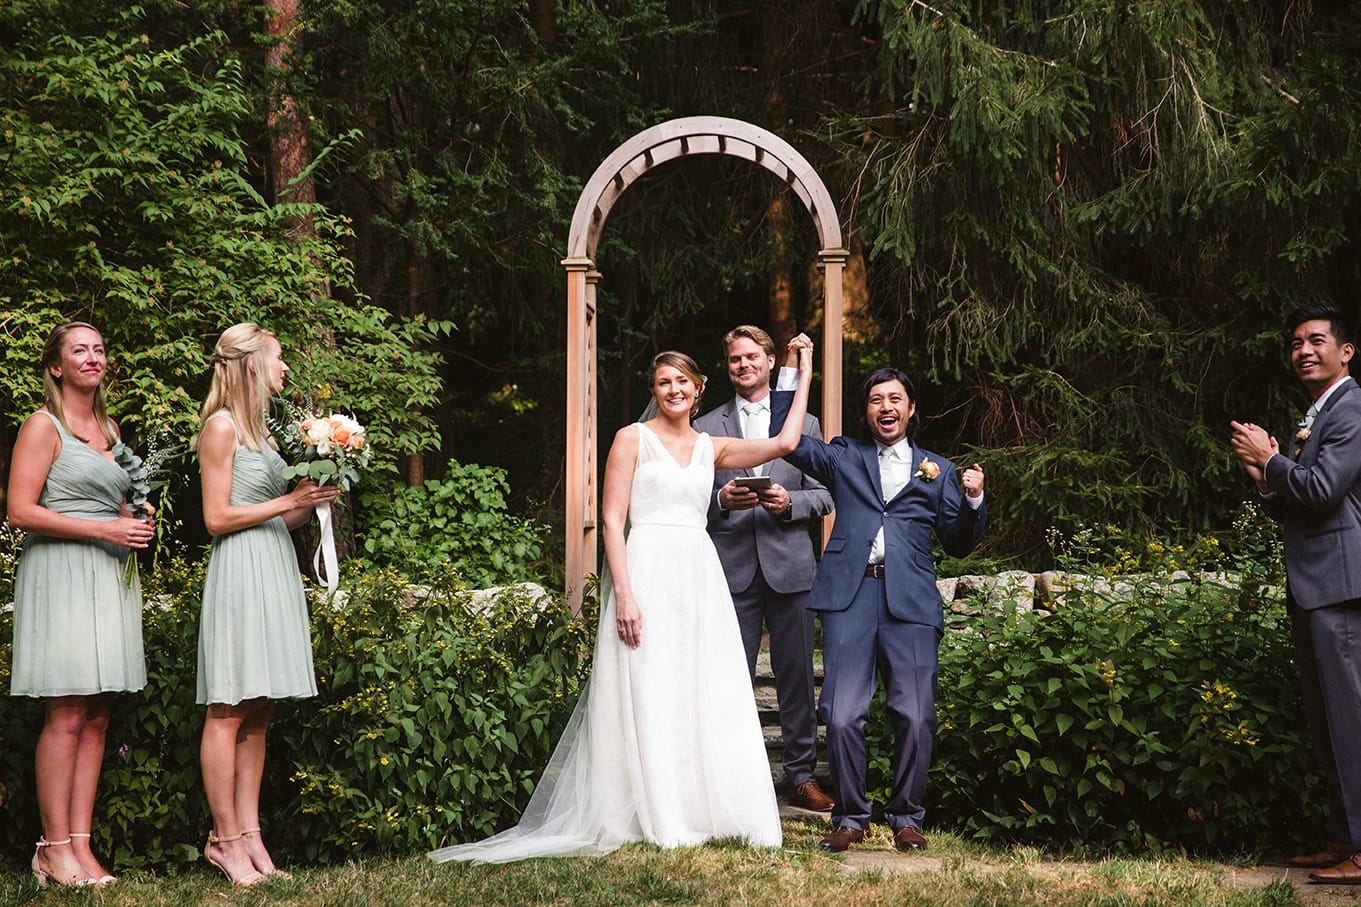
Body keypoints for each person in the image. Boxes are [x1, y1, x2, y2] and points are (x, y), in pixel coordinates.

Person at [428, 341, 815, 864]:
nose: (674, 390)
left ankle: (701, 806)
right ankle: (645, 807)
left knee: (700, 687)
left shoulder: (712, 447)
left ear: (699, 389)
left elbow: (787, 442)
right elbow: (613, 520)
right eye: (663, 383)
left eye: (683, 381)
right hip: (648, 570)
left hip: (699, 576)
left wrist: (804, 369)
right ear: (654, 392)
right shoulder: (631, 439)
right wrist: (625, 594)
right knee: (648, 684)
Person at [769, 350, 985, 852]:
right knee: (842, 713)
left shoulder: (940, 469)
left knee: (914, 714)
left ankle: (907, 817)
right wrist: (790, 372)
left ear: (911, 410)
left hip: (910, 603)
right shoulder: (844, 455)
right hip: (851, 595)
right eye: (875, 399)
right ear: (866, 411)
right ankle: (850, 817)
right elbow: (788, 438)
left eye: (895, 399)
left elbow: (956, 540)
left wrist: (974, 501)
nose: (885, 406)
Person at [8, 322, 153, 888]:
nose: (91, 358)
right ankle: (50, 849)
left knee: (97, 714)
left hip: (106, 575)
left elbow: (115, 504)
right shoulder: (43, 426)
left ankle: (81, 847)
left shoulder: (109, 428)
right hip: (62, 573)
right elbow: (19, 510)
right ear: (56, 366)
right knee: (66, 713)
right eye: (78, 350)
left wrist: (132, 525)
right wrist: (101, 531)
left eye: (98, 349)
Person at [194, 323, 338, 886]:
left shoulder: (266, 437)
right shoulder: (221, 427)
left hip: (274, 565)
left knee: (259, 709)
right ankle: (223, 839)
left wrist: (316, 496)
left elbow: (283, 512)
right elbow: (215, 518)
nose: (284, 369)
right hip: (238, 570)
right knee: (227, 708)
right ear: (251, 364)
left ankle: (251, 835)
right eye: (278, 359)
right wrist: (288, 498)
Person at [1230, 303, 1361, 884]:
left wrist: (1274, 458)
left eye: (1316, 340)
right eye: (1295, 343)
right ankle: (1343, 839)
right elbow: (1299, 497)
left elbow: (1325, 488)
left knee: (1351, 719)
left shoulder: (1352, 407)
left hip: (1341, 585)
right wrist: (1267, 476)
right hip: (1316, 588)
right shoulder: (1319, 413)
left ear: (1345, 351)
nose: (1304, 350)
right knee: (1330, 720)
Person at [692, 325, 835, 812]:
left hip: (791, 568)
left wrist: (787, 501)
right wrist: (720, 500)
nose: (743, 365)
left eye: (752, 357)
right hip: (730, 570)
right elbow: (686, 500)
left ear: (772, 361)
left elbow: (826, 494)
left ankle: (801, 777)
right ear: (728, 367)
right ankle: (730, 778)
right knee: (729, 677)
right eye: (735, 359)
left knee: (796, 677)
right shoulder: (706, 425)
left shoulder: (804, 421)